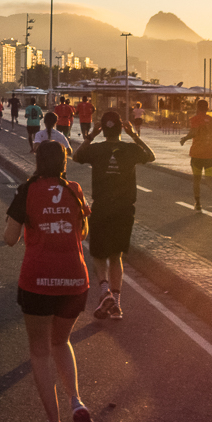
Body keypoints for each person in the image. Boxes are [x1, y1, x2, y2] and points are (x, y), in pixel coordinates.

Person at [3, 140, 96, 422]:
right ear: (64, 162)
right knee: (61, 341)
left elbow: (9, 239)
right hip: (74, 281)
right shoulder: (74, 189)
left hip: (38, 281)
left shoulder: (26, 191)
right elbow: (81, 232)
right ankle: (77, 402)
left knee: (40, 350)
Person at [73, 111, 155, 320]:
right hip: (125, 209)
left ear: (103, 130)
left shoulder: (96, 149)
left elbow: (76, 156)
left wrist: (91, 135)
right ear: (121, 128)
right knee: (116, 255)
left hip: (101, 207)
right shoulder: (131, 149)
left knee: (99, 254)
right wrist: (134, 135)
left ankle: (104, 291)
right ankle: (116, 303)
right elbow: (151, 156)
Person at [179, 99, 212, 213]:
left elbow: (193, 132)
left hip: (197, 154)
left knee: (197, 180)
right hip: (211, 155)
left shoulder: (195, 119)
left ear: (197, 108)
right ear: (208, 108)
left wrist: (184, 139)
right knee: (209, 180)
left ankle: (198, 204)